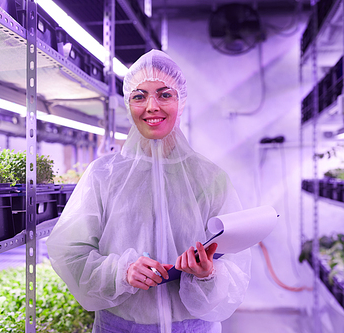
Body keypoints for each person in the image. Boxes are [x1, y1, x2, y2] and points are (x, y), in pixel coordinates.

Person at [46, 49, 251, 333]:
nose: (152, 106)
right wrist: (121, 272)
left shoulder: (210, 178)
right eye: (139, 96)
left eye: (165, 95)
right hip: (120, 327)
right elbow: (70, 252)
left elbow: (235, 259)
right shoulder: (103, 175)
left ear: (181, 101)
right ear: (129, 104)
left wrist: (207, 274)